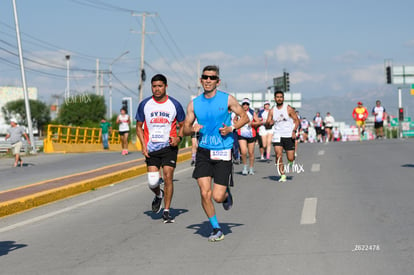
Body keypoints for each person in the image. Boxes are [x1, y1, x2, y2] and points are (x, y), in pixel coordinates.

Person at [183, 65, 248, 242]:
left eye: (212, 78)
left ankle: (226, 192)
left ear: (218, 81)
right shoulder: (194, 104)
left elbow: (245, 117)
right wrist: (191, 128)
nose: (208, 80)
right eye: (205, 77)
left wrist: (232, 128)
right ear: (201, 80)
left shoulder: (227, 100)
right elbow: (185, 130)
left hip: (223, 152)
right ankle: (216, 228)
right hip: (204, 152)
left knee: (218, 197)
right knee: (205, 193)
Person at [136, 74, 185, 223]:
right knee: (152, 181)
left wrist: (178, 138)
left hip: (169, 146)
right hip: (151, 148)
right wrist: (143, 146)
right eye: (154, 86)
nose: (157, 89)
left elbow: (183, 125)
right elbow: (138, 127)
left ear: (165, 86)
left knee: (168, 176)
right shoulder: (145, 104)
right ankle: (158, 195)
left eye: (160, 86)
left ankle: (166, 210)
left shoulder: (174, 104)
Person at [265, 90, 300, 183]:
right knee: (278, 154)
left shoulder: (288, 108)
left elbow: (297, 120)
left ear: (283, 98)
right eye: (277, 97)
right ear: (275, 99)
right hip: (277, 135)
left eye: (281, 97)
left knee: (290, 157)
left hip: (288, 135)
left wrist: (294, 131)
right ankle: (282, 175)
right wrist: (269, 123)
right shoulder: (272, 110)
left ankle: (291, 161)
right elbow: (267, 124)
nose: (279, 98)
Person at [238, 98, 261, 175]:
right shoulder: (239, 112)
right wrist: (238, 123)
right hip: (241, 134)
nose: (245, 106)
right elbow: (234, 120)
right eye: (244, 104)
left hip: (251, 134)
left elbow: (258, 122)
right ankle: (245, 167)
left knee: (251, 153)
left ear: (249, 105)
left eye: (247, 104)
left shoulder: (252, 112)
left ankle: (251, 168)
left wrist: (252, 123)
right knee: (243, 151)